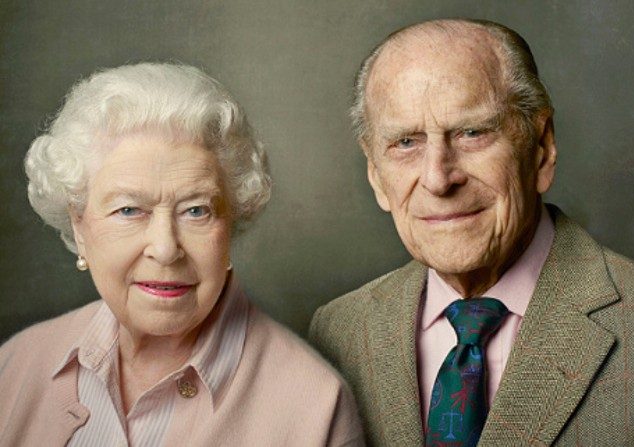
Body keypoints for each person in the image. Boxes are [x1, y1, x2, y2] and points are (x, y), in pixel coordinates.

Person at [309, 18, 634, 446]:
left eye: (472, 133)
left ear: (542, 148)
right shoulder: (339, 332)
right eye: (406, 143)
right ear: (374, 174)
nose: (438, 179)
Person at [0, 63, 364, 446]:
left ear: (232, 222)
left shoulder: (317, 408)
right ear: (79, 225)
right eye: (128, 210)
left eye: (196, 210)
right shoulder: (15, 366)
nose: (165, 248)